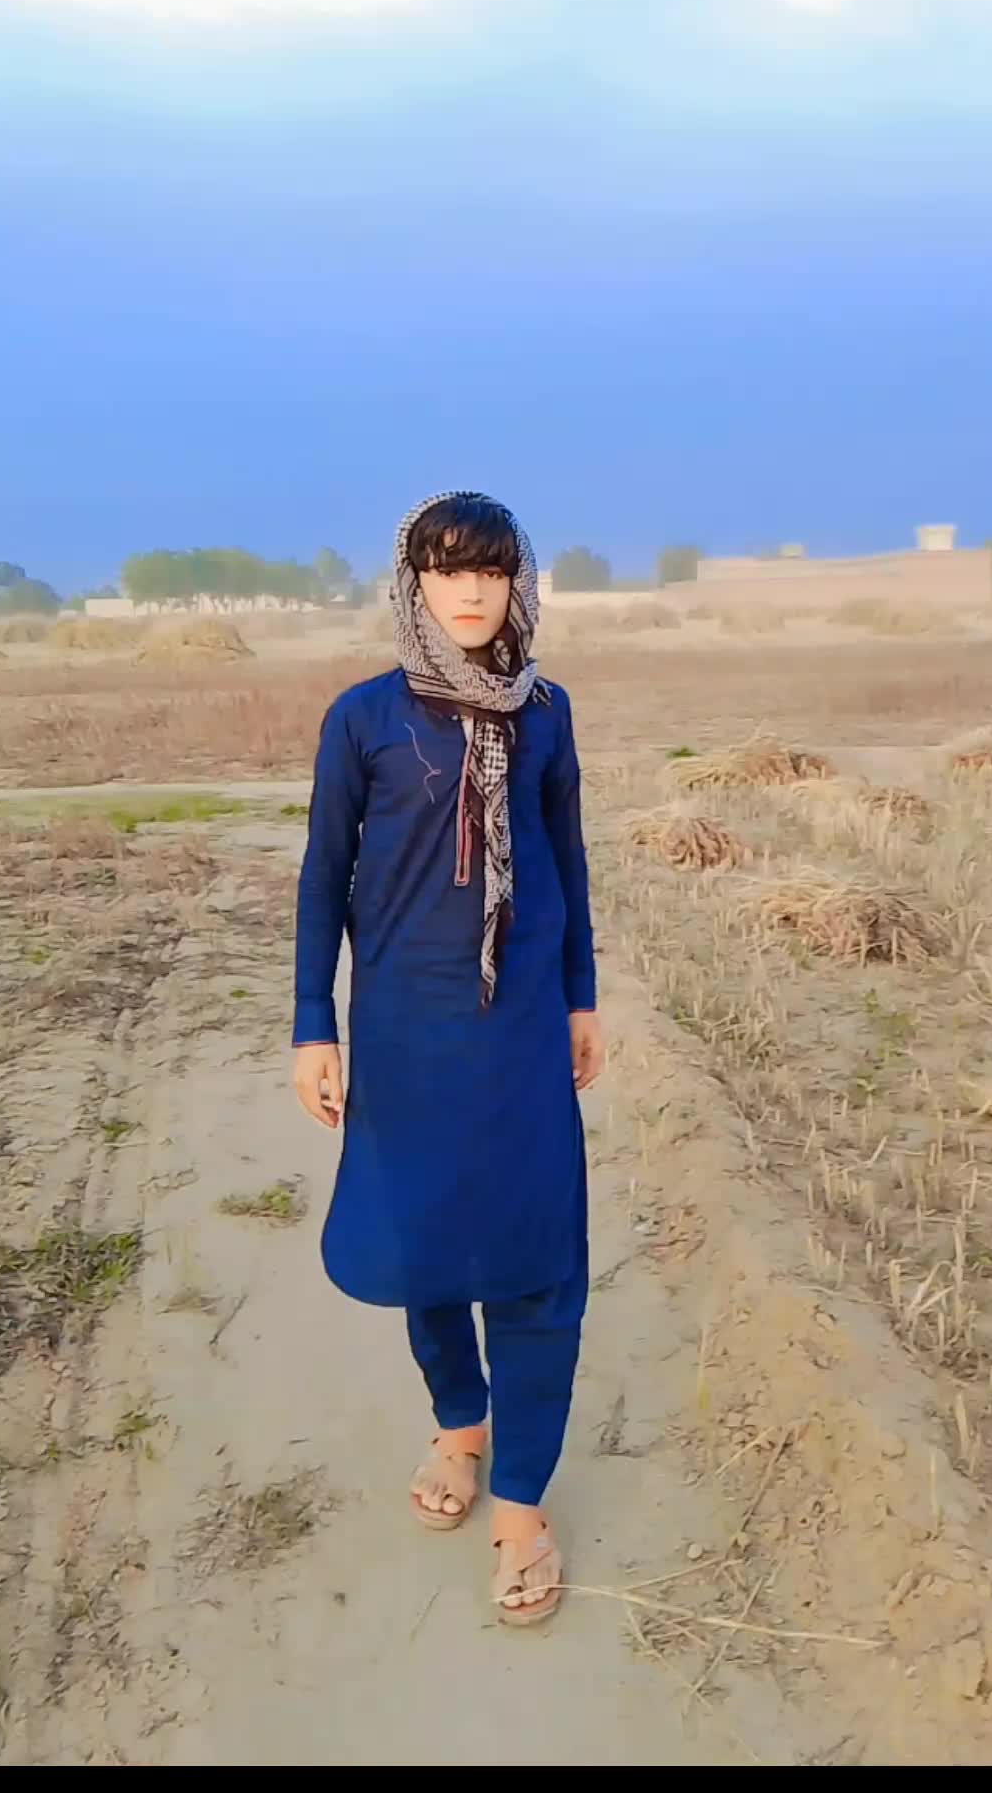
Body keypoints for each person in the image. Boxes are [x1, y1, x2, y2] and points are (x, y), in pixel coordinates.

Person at [292, 490, 603, 1625]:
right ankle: (460, 1426)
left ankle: (520, 1499)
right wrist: (313, 1024)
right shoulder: (365, 718)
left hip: (520, 1027)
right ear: (413, 583)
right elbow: (324, 878)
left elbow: (566, 861)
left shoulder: (546, 715)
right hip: (406, 1028)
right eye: (446, 569)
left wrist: (581, 997)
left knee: (534, 1256)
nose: (470, 591)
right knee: (425, 1245)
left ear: (519, 583)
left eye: (491, 569)